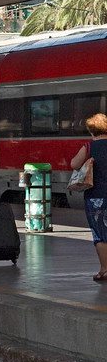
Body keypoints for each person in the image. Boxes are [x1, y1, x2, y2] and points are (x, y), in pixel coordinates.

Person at [70, 113, 107, 281]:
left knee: (100, 233)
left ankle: (105, 269)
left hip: (96, 197)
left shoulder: (89, 147)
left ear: (92, 131)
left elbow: (74, 165)